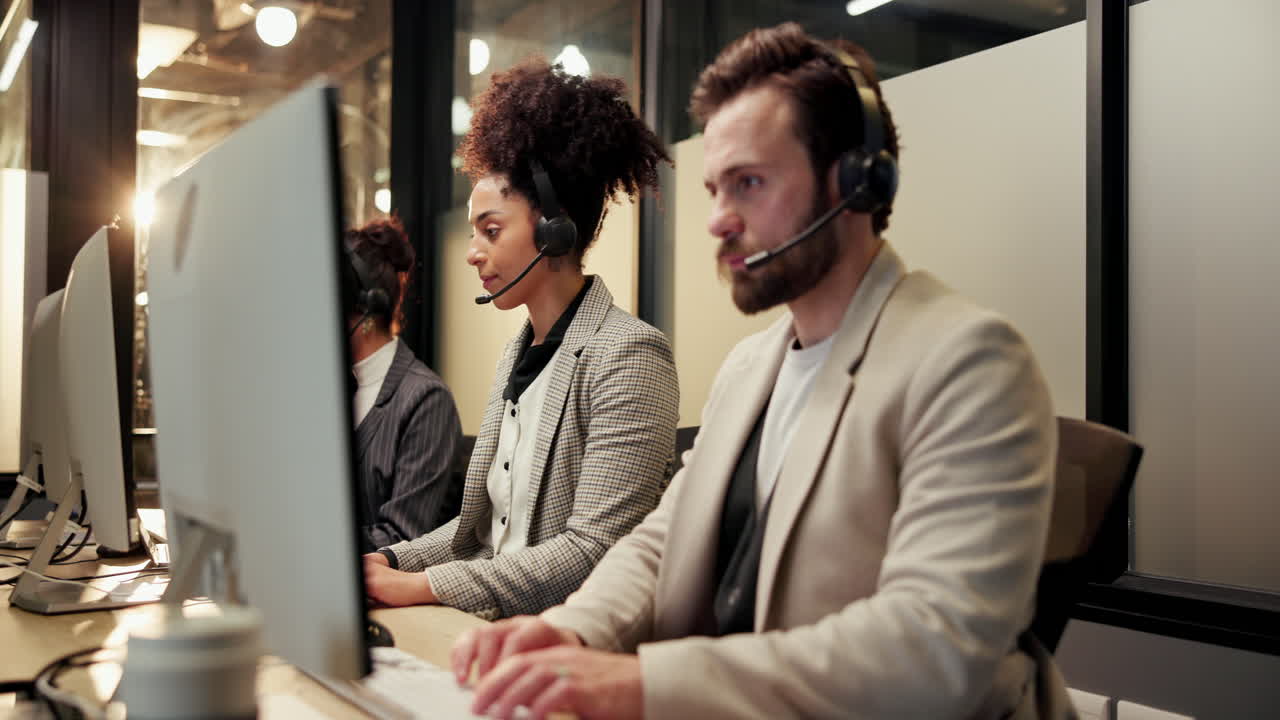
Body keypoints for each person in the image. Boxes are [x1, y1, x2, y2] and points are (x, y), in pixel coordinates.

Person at [451, 23, 1073, 720]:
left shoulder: (969, 363)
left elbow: (932, 649)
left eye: (748, 184)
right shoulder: (751, 368)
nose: (718, 219)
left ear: (856, 182)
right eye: (716, 188)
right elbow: (661, 544)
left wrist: (645, 684)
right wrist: (571, 629)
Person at [362, 58, 680, 621]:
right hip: (494, 631)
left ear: (554, 229)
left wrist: (424, 587)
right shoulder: (520, 353)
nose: (472, 252)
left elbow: (595, 554)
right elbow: (475, 534)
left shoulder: (629, 355)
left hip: (569, 645)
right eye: (472, 232)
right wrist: (386, 559)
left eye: (491, 230)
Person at [342, 217, 463, 554]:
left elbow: (402, 535)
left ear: (366, 313)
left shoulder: (425, 399)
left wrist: (312, 542)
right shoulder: (327, 391)